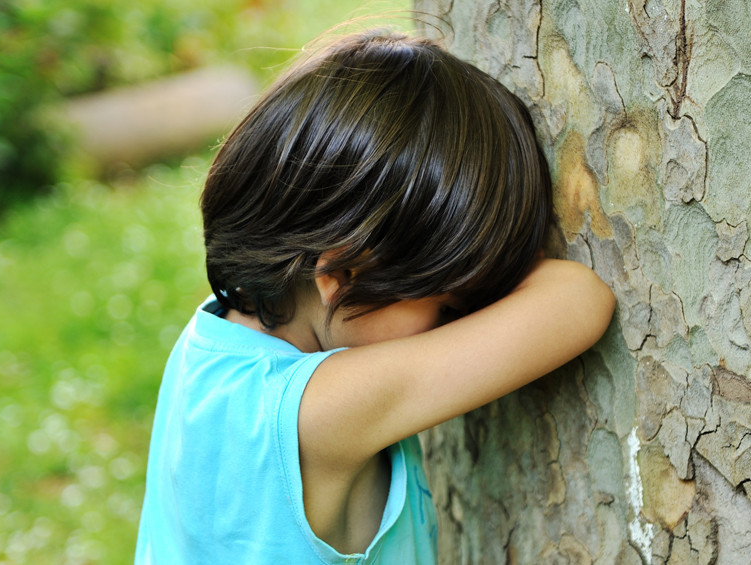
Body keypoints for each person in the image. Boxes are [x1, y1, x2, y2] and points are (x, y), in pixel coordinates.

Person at [134, 29, 615, 564]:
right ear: (341, 273)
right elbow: (578, 300)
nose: (454, 323)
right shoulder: (324, 414)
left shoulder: (208, 343)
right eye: (449, 303)